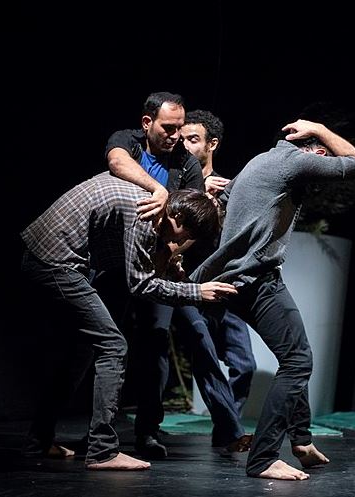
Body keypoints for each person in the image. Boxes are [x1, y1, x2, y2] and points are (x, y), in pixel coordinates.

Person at [190, 118, 355, 480]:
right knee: (298, 360)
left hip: (236, 279)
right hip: (255, 279)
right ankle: (264, 458)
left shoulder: (260, 160)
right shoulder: (295, 161)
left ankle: (301, 440)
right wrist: (320, 128)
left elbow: (222, 203)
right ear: (317, 154)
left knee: (291, 354)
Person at [20, 173, 237, 471]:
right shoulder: (147, 216)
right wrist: (197, 292)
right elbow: (142, 286)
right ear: (178, 217)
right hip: (55, 262)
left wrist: (173, 267)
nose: (177, 243)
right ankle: (102, 451)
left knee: (83, 350)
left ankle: (38, 440)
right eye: (182, 237)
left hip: (52, 256)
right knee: (113, 345)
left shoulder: (154, 207)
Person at [103, 94, 250, 457]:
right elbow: (116, 161)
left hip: (163, 266)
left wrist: (166, 257)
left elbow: (192, 225)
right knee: (94, 344)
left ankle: (152, 432)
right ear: (147, 123)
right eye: (169, 128)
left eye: (181, 129)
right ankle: (47, 433)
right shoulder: (128, 142)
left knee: (168, 341)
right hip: (113, 261)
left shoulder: (185, 163)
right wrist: (159, 190)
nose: (175, 136)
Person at [175, 110, 256, 449]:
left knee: (245, 364)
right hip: (187, 286)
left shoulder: (228, 188)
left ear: (212, 144)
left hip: (224, 288)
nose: (184, 145)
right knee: (204, 354)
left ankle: (224, 430)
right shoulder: (176, 184)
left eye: (193, 139)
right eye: (181, 139)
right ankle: (232, 432)